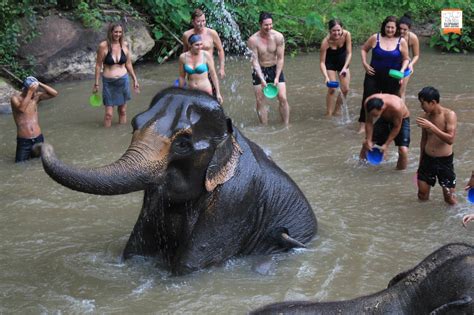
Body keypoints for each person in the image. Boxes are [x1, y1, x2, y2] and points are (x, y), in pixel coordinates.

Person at [359, 16, 410, 133]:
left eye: (393, 27)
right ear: (384, 27)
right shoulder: (375, 38)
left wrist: (402, 71)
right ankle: (363, 125)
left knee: (392, 103)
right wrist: (365, 64)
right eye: (388, 27)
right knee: (367, 99)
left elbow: (406, 59)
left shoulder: (401, 41)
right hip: (373, 75)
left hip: (393, 77)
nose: (390, 30)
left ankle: (389, 126)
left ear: (396, 28)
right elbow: (363, 49)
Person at [416, 86, 457, 205]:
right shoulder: (425, 117)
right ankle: (424, 221)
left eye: (423, 103)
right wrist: (420, 161)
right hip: (427, 160)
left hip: (444, 162)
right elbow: (423, 140)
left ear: (433, 102)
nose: (421, 106)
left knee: (449, 199)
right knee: (422, 194)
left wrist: (432, 127)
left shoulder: (449, 115)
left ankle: (457, 220)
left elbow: (450, 139)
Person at [93, 22, 139, 128]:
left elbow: (128, 63)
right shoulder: (103, 46)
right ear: (110, 32)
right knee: (108, 114)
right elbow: (98, 66)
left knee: (122, 111)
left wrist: (135, 79)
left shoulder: (125, 45)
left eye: (120, 32)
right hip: (109, 83)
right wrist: (96, 84)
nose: (118, 34)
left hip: (123, 80)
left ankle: (120, 132)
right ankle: (106, 138)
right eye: (115, 32)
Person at [248, 12, 289, 125]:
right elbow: (255, 61)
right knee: (260, 100)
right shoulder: (253, 40)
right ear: (260, 24)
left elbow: (280, 58)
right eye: (266, 25)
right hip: (259, 70)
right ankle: (264, 127)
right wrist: (261, 78)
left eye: (270, 24)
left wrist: (276, 77)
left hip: (275, 68)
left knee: (283, 98)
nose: (269, 27)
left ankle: (286, 125)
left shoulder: (278, 37)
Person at [10, 76, 58, 163]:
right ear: (24, 89)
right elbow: (21, 109)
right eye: (32, 91)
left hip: (38, 138)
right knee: (20, 164)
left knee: (40, 162)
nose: (34, 93)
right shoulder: (15, 98)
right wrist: (30, 92)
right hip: (24, 140)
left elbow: (54, 93)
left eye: (35, 91)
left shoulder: (36, 97)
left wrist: (39, 83)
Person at [359, 93, 410, 170]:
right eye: (372, 114)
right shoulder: (368, 102)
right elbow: (369, 122)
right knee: (366, 144)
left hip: (401, 120)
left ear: (382, 108)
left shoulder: (396, 107)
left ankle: (400, 172)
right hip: (384, 119)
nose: (373, 117)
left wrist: (386, 144)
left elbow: (396, 127)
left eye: (375, 115)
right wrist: (369, 140)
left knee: (403, 150)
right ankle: (361, 167)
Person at [319, 19, 352, 117]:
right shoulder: (325, 42)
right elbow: (322, 62)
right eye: (334, 30)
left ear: (342, 29)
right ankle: (328, 113)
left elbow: (349, 53)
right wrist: (326, 77)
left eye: (339, 30)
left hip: (343, 63)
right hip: (330, 63)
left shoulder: (347, 35)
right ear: (329, 31)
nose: (336, 33)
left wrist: (345, 68)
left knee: (345, 89)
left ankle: (336, 111)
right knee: (332, 89)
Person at [178, 34, 223, 104]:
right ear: (190, 45)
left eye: (201, 44)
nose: (200, 47)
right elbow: (181, 77)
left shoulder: (206, 55)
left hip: (205, 90)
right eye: (197, 45)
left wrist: (218, 93)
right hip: (191, 91)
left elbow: (213, 75)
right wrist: (180, 93)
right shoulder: (183, 57)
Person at [182, 8, 225, 80]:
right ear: (193, 22)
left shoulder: (212, 33)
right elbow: (185, 54)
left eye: (203, 21)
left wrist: (222, 68)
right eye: (198, 21)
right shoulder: (186, 35)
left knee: (211, 90)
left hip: (209, 70)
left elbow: (220, 50)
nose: (202, 24)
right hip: (193, 71)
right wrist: (183, 73)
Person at [398, 14, 420, 101]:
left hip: (406, 68)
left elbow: (416, 55)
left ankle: (402, 114)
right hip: (392, 66)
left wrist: (411, 64)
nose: (402, 31)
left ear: (409, 29)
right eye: (400, 29)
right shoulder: (392, 34)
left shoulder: (412, 38)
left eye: (405, 30)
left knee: (401, 93)